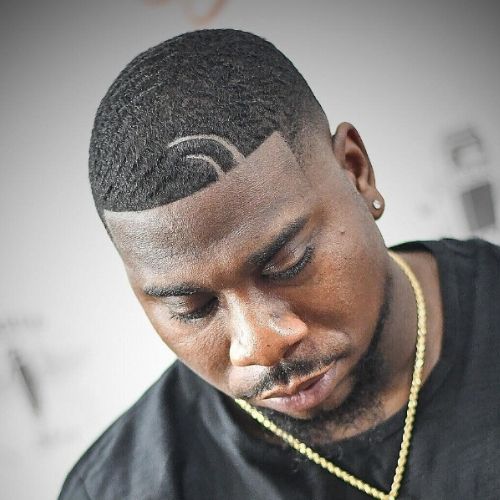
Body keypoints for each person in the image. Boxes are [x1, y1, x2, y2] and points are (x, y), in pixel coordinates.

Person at [59, 29, 500, 500]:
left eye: (287, 262)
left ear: (356, 172)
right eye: (193, 307)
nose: (261, 346)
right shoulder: (119, 490)